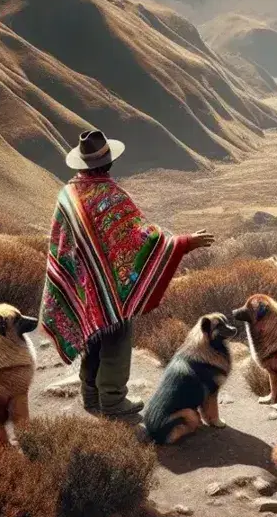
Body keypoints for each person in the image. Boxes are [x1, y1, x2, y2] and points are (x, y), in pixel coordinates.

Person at [40, 129, 215, 420]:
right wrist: (182, 243)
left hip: (82, 284)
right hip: (112, 288)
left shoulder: (67, 194)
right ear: (108, 162)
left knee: (92, 337)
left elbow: (61, 243)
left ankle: (90, 395)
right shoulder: (111, 196)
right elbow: (141, 239)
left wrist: (83, 281)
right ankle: (112, 400)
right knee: (116, 341)